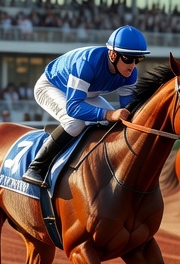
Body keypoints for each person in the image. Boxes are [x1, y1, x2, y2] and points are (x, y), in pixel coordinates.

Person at [20, 25, 149, 186]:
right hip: (51, 86)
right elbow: (73, 107)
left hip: (85, 93)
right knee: (74, 123)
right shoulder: (87, 63)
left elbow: (128, 108)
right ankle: (36, 167)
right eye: (128, 59)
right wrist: (109, 114)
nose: (133, 65)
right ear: (112, 54)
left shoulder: (130, 73)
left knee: (110, 123)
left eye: (138, 59)